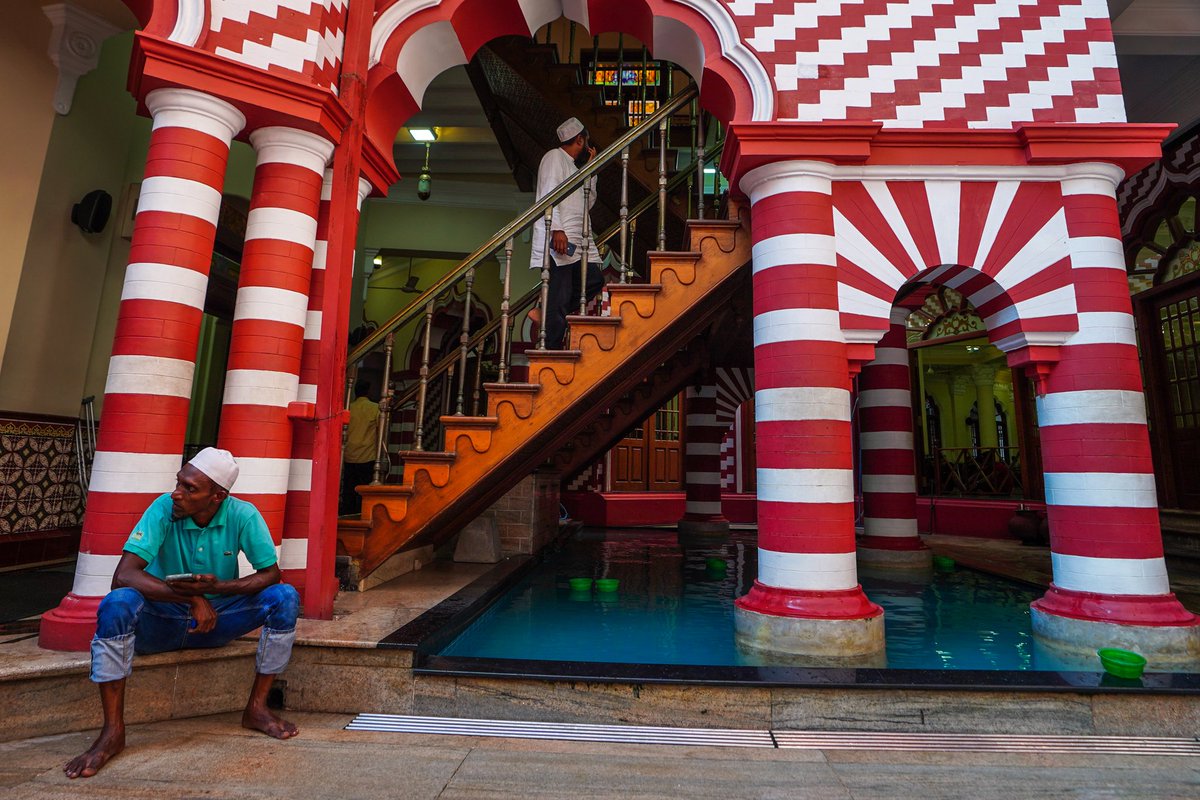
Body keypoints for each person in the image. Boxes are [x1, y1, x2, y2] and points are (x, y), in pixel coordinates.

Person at [64, 447, 300, 779]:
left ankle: (257, 709)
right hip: (160, 622)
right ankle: (112, 732)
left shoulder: (243, 515)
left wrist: (217, 590)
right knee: (117, 603)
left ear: (217, 496)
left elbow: (270, 574)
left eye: (190, 489)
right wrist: (191, 599)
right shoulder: (164, 507)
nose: (177, 493)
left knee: (285, 597)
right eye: (179, 482)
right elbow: (124, 575)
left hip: (215, 623)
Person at [529, 116, 605, 350]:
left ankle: (546, 311)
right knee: (561, 298)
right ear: (580, 140)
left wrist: (591, 170)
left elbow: (586, 201)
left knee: (594, 280)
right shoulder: (554, 157)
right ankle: (550, 349)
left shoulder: (574, 168)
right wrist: (557, 230)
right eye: (587, 143)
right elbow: (548, 193)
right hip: (560, 236)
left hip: (578, 239)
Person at [342, 379, 381, 513]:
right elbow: (381, 428)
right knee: (364, 491)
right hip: (366, 455)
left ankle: (347, 514)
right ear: (368, 392)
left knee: (349, 490)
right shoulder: (374, 408)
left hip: (349, 454)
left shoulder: (348, 408)